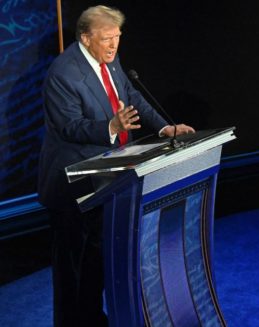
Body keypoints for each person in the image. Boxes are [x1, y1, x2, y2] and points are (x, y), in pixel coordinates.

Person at [37, 5, 194, 326]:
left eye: (117, 38)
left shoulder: (111, 60)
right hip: (74, 187)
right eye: (107, 39)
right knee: (74, 273)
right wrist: (110, 126)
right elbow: (69, 126)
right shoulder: (63, 73)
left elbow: (131, 95)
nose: (114, 45)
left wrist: (165, 128)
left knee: (100, 262)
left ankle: (98, 319)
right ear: (85, 38)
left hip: (111, 179)